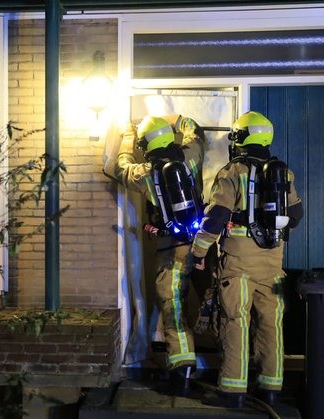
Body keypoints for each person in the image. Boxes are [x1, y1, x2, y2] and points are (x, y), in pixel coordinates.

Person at [189, 111, 303, 408]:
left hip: (238, 264)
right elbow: (297, 215)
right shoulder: (283, 172)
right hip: (272, 263)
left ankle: (232, 391)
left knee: (235, 321)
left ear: (242, 138)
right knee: (270, 323)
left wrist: (198, 253)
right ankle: (270, 387)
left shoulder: (232, 172)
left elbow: (215, 219)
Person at [107, 114, 206, 394]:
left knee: (174, 308)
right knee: (212, 303)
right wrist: (177, 119)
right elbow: (195, 135)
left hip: (170, 250)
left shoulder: (147, 173)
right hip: (201, 246)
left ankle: (182, 369)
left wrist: (128, 135)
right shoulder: (190, 157)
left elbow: (120, 167)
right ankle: (229, 363)